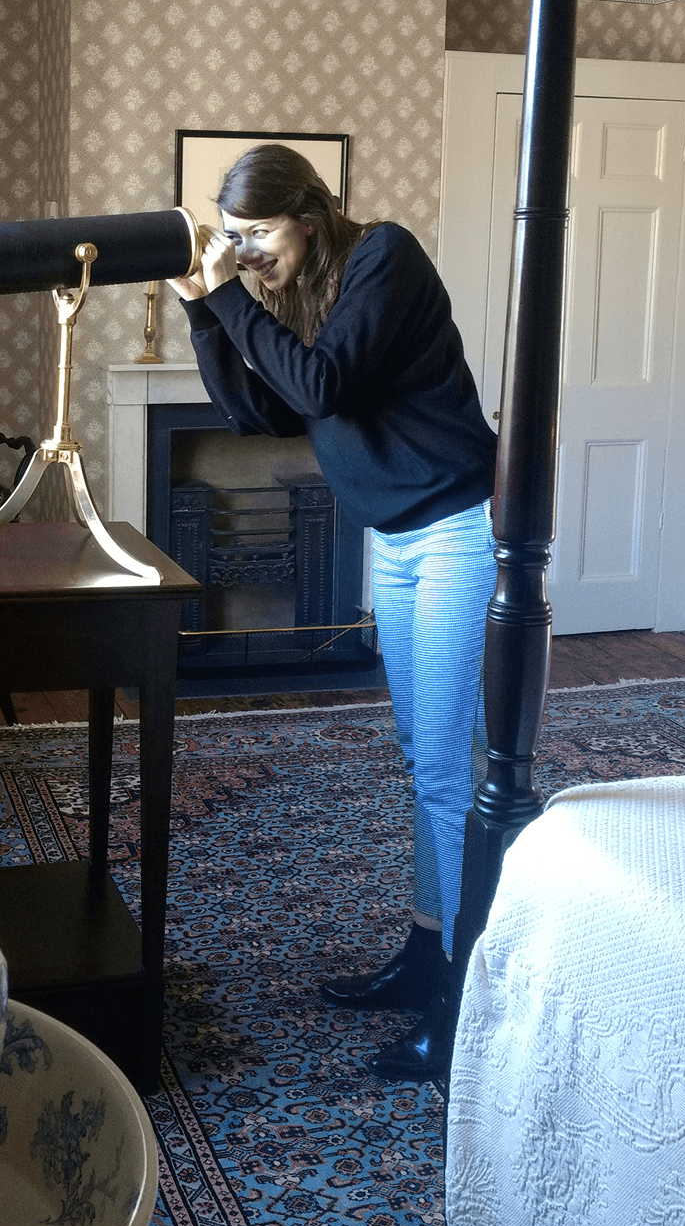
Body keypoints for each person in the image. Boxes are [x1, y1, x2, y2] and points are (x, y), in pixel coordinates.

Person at [167, 142, 497, 1081]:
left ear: (309, 218)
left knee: (450, 769)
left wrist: (227, 294)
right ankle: (426, 949)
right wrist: (202, 310)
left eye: (258, 234)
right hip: (395, 538)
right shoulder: (301, 293)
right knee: (424, 760)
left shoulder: (385, 255)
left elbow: (318, 386)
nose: (245, 253)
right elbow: (264, 416)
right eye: (231, 237)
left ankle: (467, 996)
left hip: (457, 530)